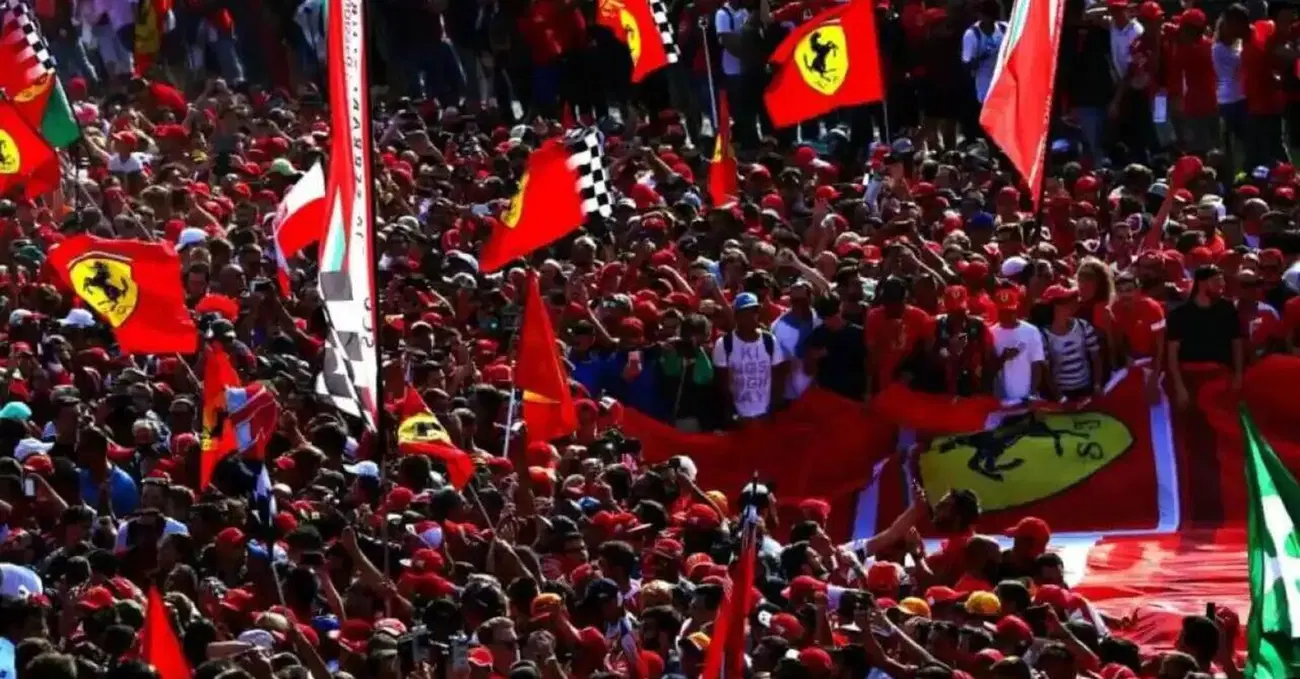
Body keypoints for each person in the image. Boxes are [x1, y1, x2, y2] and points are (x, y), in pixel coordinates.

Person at [1167, 265, 1245, 408]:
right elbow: (1172, 353)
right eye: (1217, 280)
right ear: (1202, 283)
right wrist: (1179, 386)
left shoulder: (1228, 309)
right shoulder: (1180, 314)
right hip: (1189, 377)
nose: (1223, 285)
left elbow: (1237, 343)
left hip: (1220, 376)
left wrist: (1238, 375)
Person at [713, 292, 790, 423]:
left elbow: (778, 377)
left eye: (754, 312)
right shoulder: (724, 344)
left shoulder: (769, 340)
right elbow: (722, 383)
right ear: (737, 316)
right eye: (746, 313)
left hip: (765, 415)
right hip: (738, 417)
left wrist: (772, 410)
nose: (752, 317)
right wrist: (732, 413)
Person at [1039, 285, 1104, 400]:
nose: (1070, 304)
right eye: (1064, 302)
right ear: (1053, 307)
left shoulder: (1083, 326)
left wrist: (1097, 385)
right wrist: (1060, 397)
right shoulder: (1043, 336)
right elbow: (1046, 371)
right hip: (1062, 393)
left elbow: (1096, 358)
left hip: (1086, 389)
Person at [990, 287, 1047, 403]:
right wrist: (1003, 358)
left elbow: (1037, 364)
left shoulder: (1031, 331)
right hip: (1002, 400)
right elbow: (989, 369)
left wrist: (1031, 393)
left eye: (1010, 312)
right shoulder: (991, 332)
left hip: (1026, 398)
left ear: (1016, 309)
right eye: (1003, 312)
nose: (1007, 316)